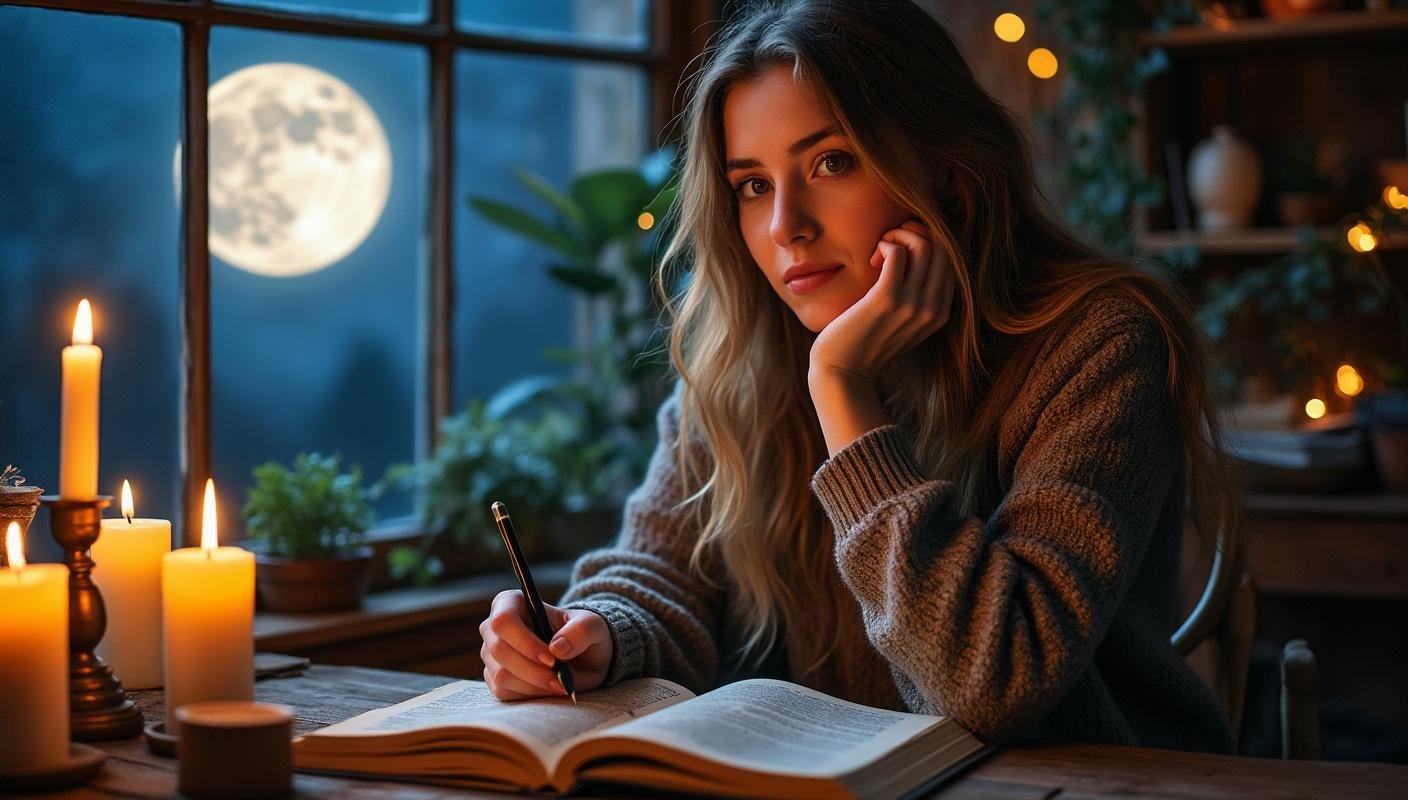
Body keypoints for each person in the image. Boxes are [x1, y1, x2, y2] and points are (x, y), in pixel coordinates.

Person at [479, 0, 1237, 753]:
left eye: (831, 163)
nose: (785, 228)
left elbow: (993, 684)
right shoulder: (743, 359)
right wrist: (596, 632)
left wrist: (844, 391)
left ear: (946, 167)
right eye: (753, 185)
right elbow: (662, 573)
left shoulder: (1101, 341)